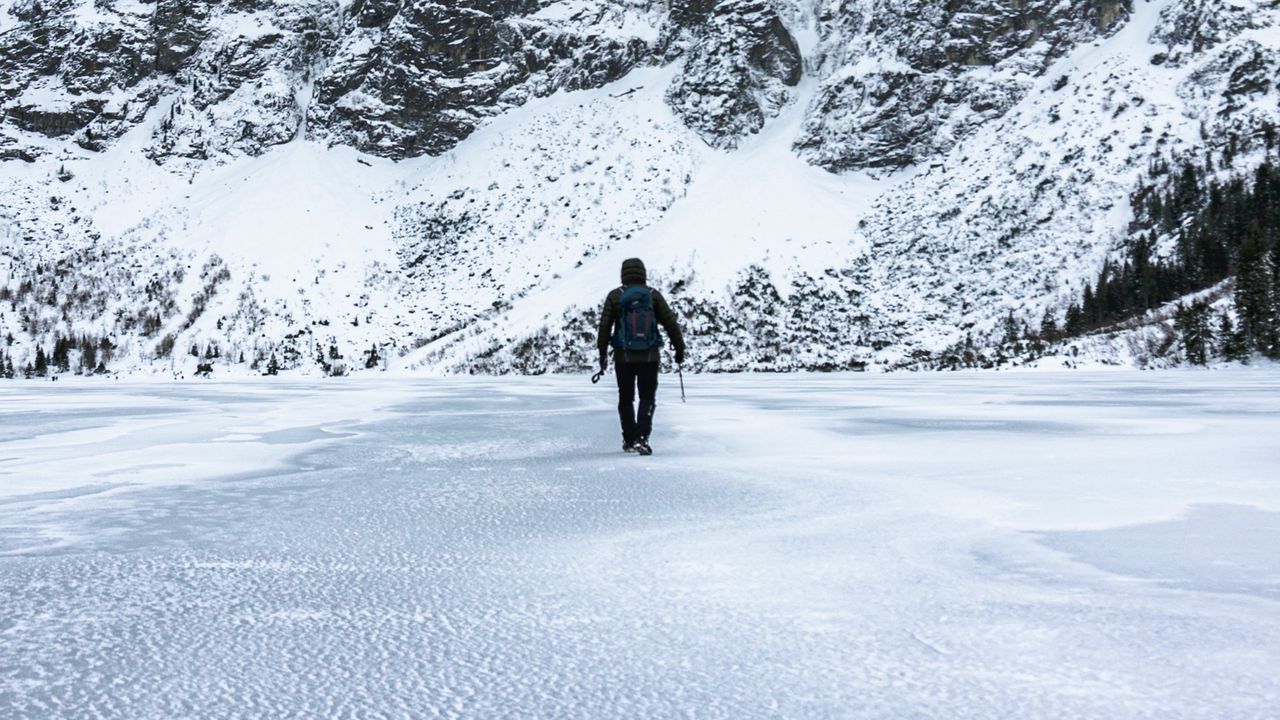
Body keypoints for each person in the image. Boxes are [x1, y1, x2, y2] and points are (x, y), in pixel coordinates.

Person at [597, 258, 685, 456]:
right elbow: (671, 324)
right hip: (649, 357)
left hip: (623, 358)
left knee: (625, 399)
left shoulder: (615, 296)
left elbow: (604, 327)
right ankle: (642, 438)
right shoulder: (653, 296)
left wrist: (602, 353)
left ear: (623, 274)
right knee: (647, 397)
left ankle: (629, 439)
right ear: (643, 273)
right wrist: (680, 349)